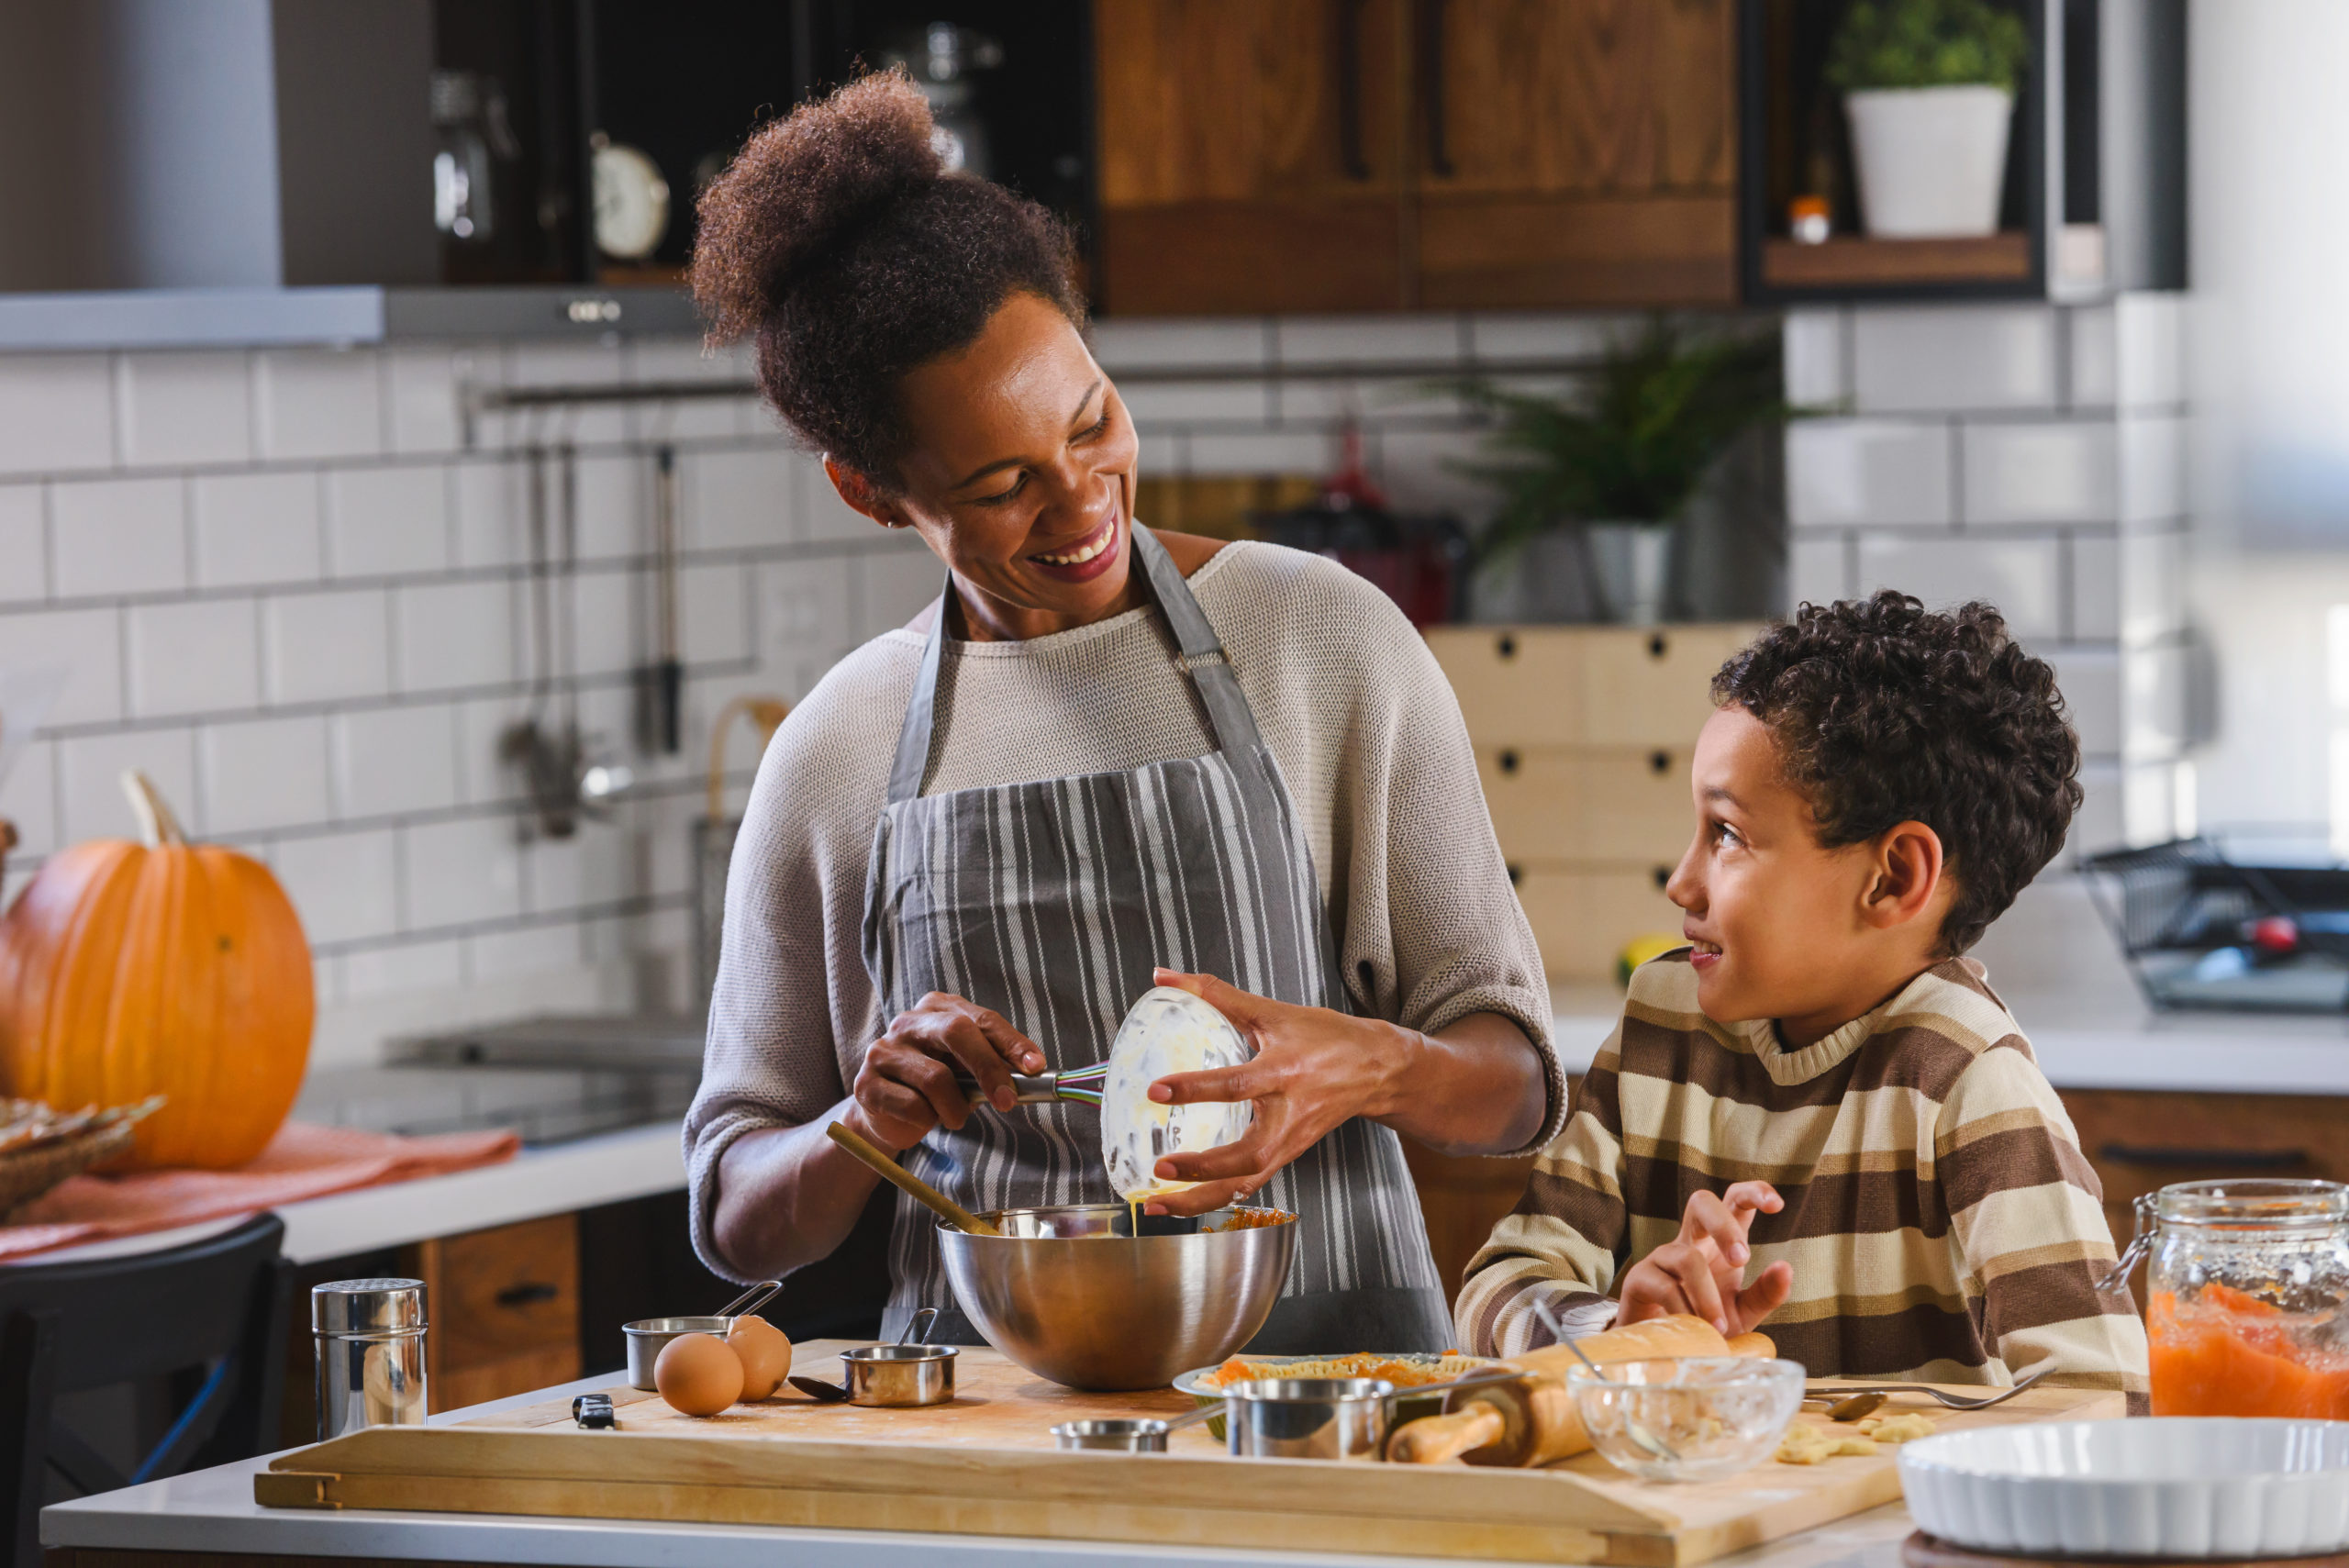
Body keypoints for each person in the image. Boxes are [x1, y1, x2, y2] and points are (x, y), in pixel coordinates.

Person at [680, 71, 1562, 1352]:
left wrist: (1369, 1065)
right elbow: (733, 1216)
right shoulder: (838, 751)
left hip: (1320, 1420)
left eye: (1093, 420)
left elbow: (1523, 1081)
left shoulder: (1319, 638)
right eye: (1001, 484)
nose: (1085, 501)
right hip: (984, 1443)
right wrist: (858, 1128)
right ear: (873, 493)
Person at [1456, 593, 2150, 1406]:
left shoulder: (1966, 1081)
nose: (1681, 880)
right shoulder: (1664, 1023)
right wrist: (1619, 1332)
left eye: (1727, 835)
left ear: (1894, 878)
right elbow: (1496, 1285)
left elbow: (2102, 1395)